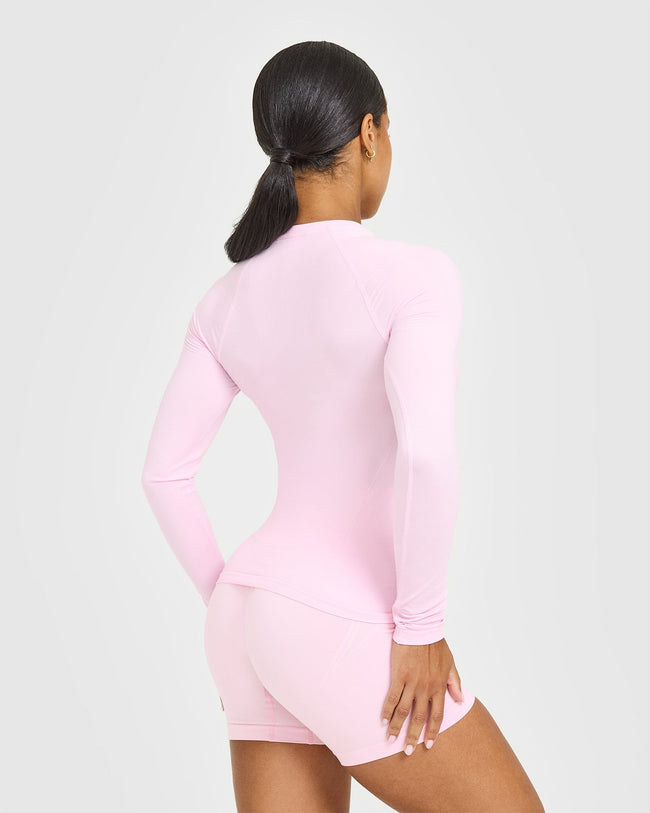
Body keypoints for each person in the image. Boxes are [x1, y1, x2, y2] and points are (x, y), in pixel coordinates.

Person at [141, 40, 545, 812]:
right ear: (369, 132)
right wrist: (420, 626)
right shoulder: (414, 275)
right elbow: (425, 454)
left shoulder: (224, 299)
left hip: (242, 612)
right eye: (388, 132)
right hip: (338, 612)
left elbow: (164, 475)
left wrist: (240, 603)